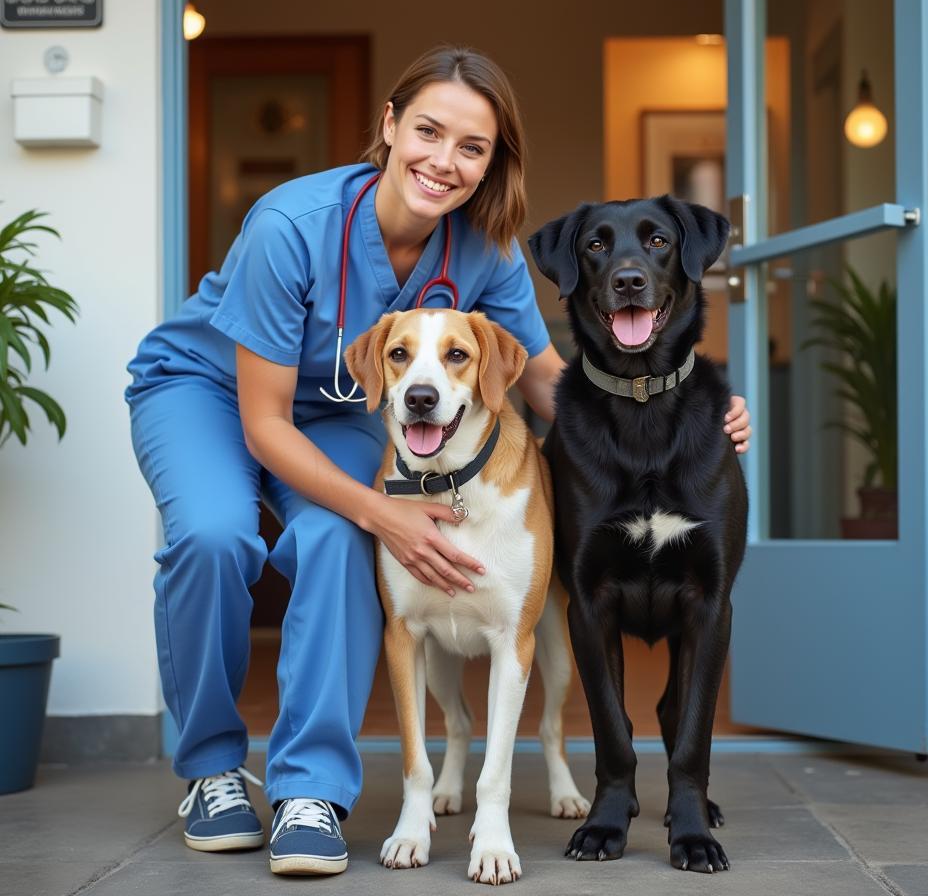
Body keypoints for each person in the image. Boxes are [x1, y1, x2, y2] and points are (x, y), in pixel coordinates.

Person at [125, 45, 751, 877]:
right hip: (211, 391)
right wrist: (382, 508)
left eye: (472, 147)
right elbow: (266, 422)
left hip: (353, 404)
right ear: (388, 127)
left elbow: (546, 383)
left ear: (493, 163)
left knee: (334, 544)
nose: (443, 162)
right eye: (428, 131)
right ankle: (210, 769)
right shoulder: (290, 225)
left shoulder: (484, 252)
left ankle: (310, 788)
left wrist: (684, 411)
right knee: (215, 538)